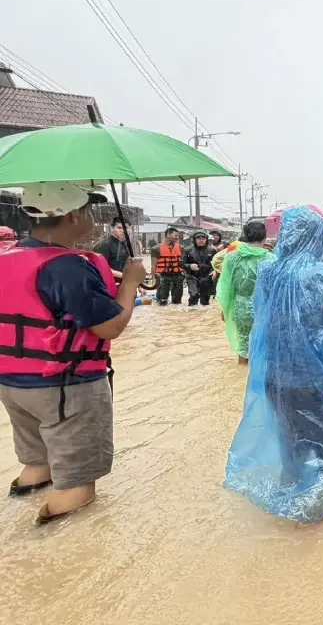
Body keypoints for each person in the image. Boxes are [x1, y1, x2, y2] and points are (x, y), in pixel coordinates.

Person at [0, 182, 146, 524]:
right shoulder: (70, 268)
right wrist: (130, 283)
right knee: (76, 484)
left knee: (37, 464)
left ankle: (22, 506)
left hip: (12, 384)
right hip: (65, 385)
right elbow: (110, 327)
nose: (93, 218)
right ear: (74, 216)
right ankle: (53, 550)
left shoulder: (8, 257)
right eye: (90, 211)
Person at [224, 206, 323, 524]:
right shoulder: (322, 275)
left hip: (275, 378)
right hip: (313, 381)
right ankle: (309, 522)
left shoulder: (270, 272)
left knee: (292, 445)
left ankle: (289, 501)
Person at [217, 221, 275, 365]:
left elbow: (226, 286)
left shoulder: (231, 258)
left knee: (243, 344)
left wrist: (225, 309)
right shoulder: (271, 259)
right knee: (264, 344)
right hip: (264, 307)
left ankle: (242, 374)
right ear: (265, 237)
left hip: (240, 306)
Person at [182, 231, 216, 306]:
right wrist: (189, 266)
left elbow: (216, 264)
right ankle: (192, 314)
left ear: (206, 239)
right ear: (194, 240)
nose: (201, 240)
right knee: (194, 295)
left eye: (203, 238)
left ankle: (203, 316)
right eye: (198, 238)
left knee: (205, 301)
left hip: (206, 277)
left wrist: (214, 271)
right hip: (192, 276)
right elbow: (182, 264)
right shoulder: (187, 250)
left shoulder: (212, 250)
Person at [151, 227, 184, 306]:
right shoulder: (156, 249)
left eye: (178, 236)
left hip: (178, 276)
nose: (177, 237)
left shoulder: (181, 248)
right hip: (163, 276)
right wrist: (154, 279)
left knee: (177, 302)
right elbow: (153, 265)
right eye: (175, 235)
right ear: (168, 235)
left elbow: (183, 263)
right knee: (162, 301)